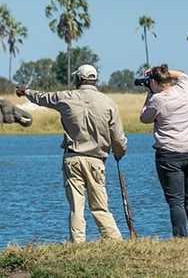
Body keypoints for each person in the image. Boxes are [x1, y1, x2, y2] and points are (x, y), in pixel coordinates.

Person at [16, 64, 127, 243]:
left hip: (72, 159)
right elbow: (119, 138)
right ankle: (115, 241)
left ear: (79, 79)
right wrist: (119, 153)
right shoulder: (108, 103)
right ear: (94, 79)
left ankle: (78, 243)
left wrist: (26, 91)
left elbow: (43, 98)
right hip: (97, 161)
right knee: (100, 206)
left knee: (77, 206)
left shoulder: (66, 97)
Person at [140, 64, 188, 237]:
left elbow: (144, 118)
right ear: (168, 78)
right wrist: (164, 74)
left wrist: (149, 93)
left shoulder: (157, 100)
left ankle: (180, 238)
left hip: (170, 154)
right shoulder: (183, 89)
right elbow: (183, 75)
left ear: (154, 82)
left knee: (176, 200)